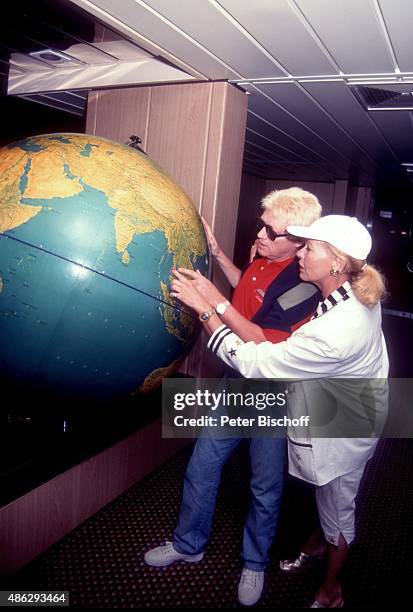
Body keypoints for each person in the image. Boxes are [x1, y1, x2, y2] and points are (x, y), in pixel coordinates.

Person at [170, 214, 388, 608]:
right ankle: (309, 544)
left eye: (308, 247)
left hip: (335, 421)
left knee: (334, 510)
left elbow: (259, 361)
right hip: (314, 396)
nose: (300, 253)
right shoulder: (344, 290)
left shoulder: (335, 325)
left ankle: (329, 591)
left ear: (336, 261)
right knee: (206, 466)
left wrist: (206, 309)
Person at [145, 187, 322, 606]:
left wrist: (210, 299)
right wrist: (221, 255)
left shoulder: (304, 287)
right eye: (261, 225)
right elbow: (250, 293)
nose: (259, 234)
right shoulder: (264, 260)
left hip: (272, 394)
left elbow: (262, 338)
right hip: (236, 385)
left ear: (297, 241)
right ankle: (189, 544)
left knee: (264, 486)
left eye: (270, 231)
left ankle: (255, 563)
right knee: (202, 466)